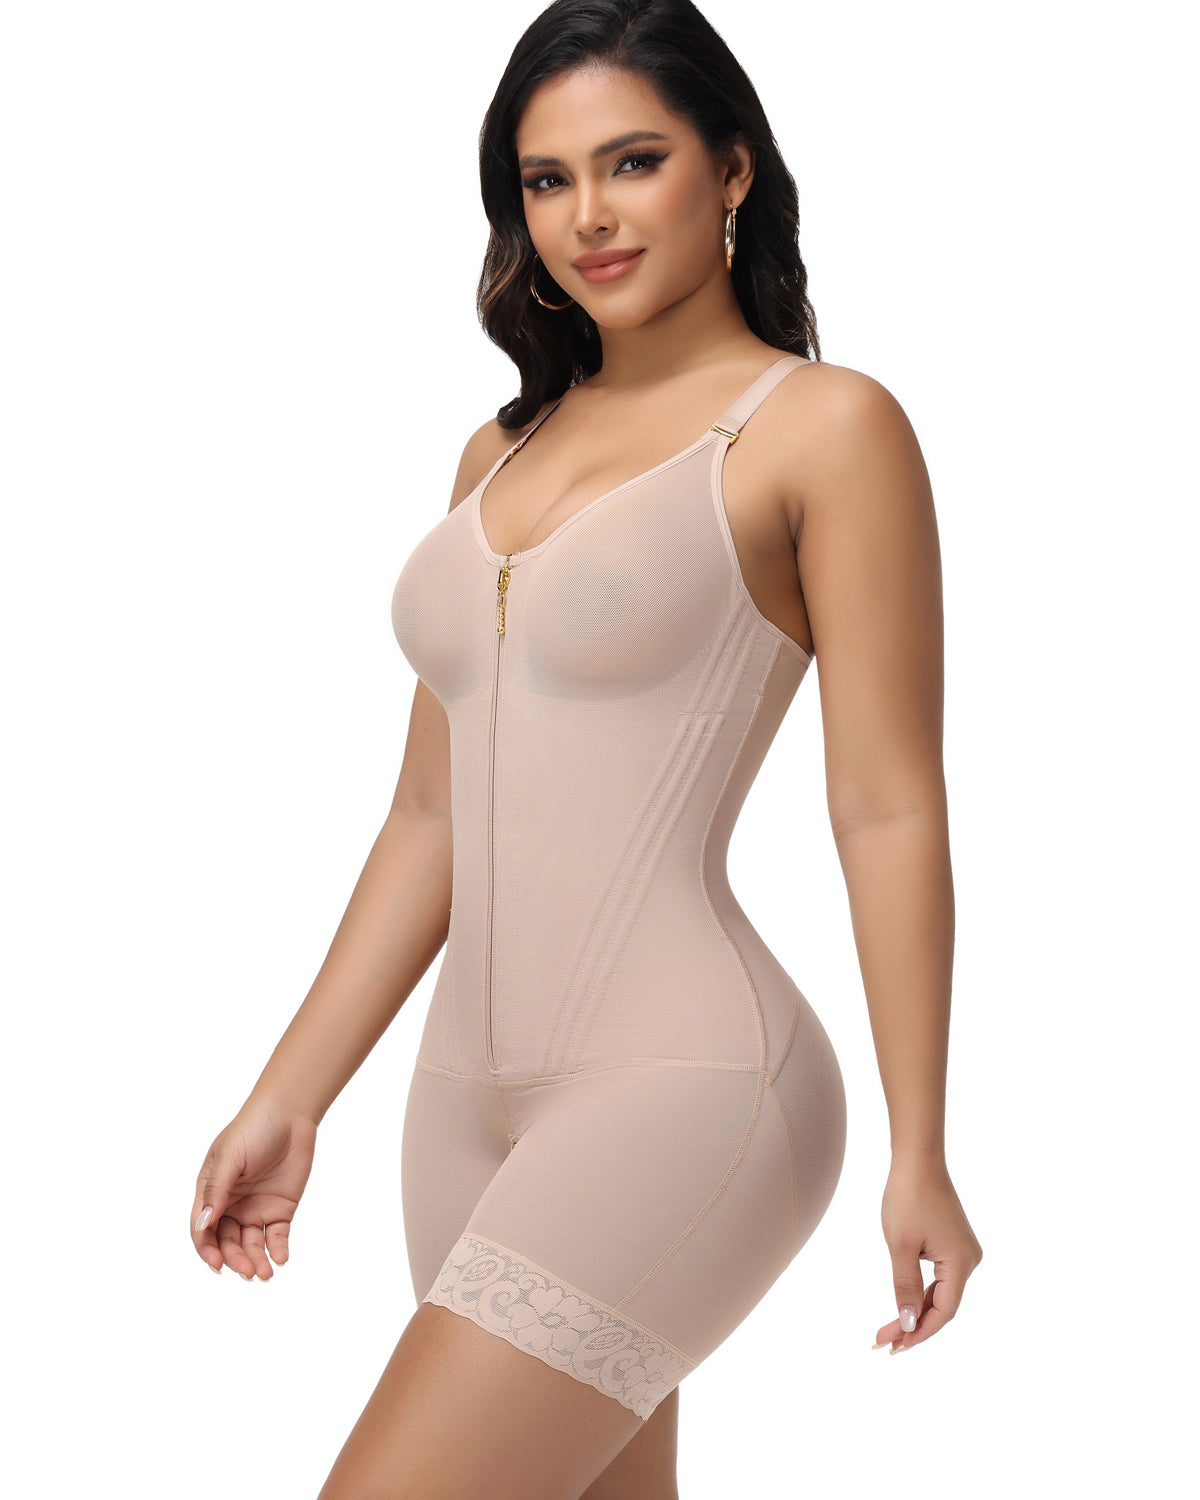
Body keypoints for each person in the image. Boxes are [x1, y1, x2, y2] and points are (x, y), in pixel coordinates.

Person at [190, 2, 983, 1494]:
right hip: (459, 1105)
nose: (589, 216)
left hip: (689, 1083)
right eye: (546, 180)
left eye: (634, 161)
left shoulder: (822, 427)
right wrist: (291, 1093)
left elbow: (887, 805)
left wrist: (920, 1146)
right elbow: (429, 817)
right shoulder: (497, 453)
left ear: (733, 168)